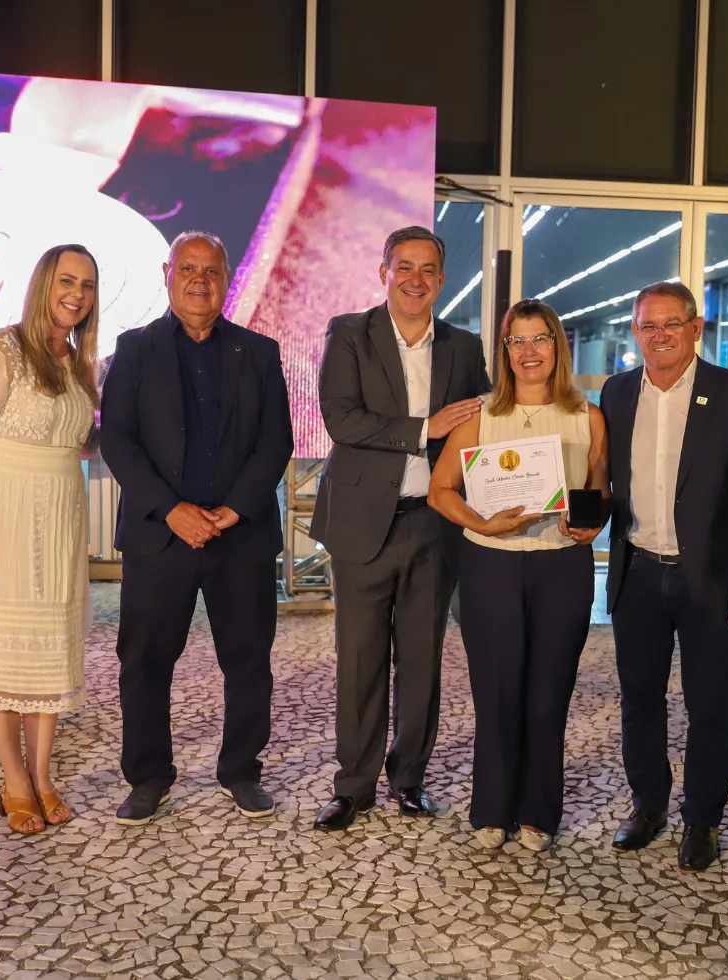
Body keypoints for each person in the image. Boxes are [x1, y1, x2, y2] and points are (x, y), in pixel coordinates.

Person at [99, 230, 293, 826]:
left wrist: (233, 509)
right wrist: (172, 509)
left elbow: (275, 441)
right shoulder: (134, 349)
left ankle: (241, 771)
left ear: (227, 278)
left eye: (212, 269)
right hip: (162, 535)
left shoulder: (259, 352)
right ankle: (149, 776)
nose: (200, 280)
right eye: (189, 268)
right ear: (167, 273)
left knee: (248, 660)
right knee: (147, 661)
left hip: (242, 535)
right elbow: (118, 440)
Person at [310, 226, 491, 831]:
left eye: (428, 270)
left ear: (442, 280)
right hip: (363, 523)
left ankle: (409, 778)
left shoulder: (464, 348)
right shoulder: (349, 333)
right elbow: (341, 418)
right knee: (360, 659)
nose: (416, 279)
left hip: (433, 525)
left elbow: (482, 429)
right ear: (383, 271)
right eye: (404, 267)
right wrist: (424, 428)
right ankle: (353, 786)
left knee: (422, 661)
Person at [602, 281, 728, 871]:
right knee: (639, 699)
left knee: (711, 705)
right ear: (635, 332)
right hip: (637, 572)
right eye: (647, 326)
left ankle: (701, 819)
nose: (659, 336)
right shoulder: (617, 392)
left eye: (671, 324)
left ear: (696, 327)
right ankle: (647, 804)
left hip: (710, 579)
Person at [427, 299, 609, 852]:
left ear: (559, 345)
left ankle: (538, 812)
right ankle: (491, 809)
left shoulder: (588, 416)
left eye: (541, 339)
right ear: (504, 352)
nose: (530, 351)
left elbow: (598, 489)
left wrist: (591, 525)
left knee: (549, 691)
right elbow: (440, 491)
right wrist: (482, 519)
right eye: (517, 341)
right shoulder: (481, 414)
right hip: (491, 564)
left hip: (562, 565)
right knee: (497, 690)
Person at [0, 243, 100, 834]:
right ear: (43, 284)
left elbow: (82, 442)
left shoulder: (81, 361)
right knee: (3, 653)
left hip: (61, 517)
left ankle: (43, 774)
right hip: (6, 514)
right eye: (67, 281)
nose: (77, 295)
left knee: (50, 652)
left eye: (87, 286)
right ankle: (14, 780)